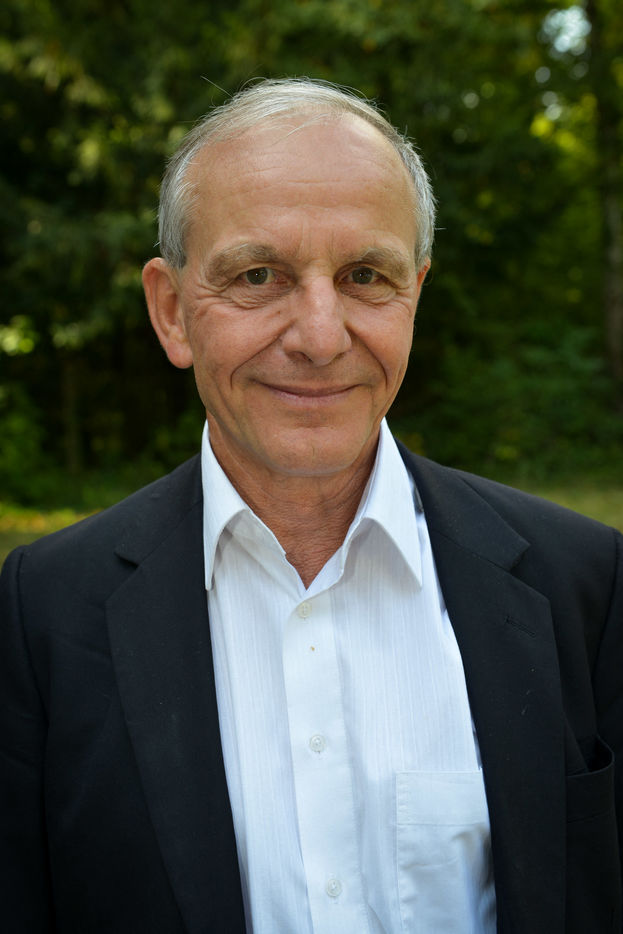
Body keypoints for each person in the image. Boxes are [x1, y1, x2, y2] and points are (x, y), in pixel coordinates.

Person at [1, 77, 621, 934]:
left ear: (414, 294)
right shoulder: (40, 614)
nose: (321, 337)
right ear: (172, 312)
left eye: (366, 276)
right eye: (258, 276)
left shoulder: (584, 586)